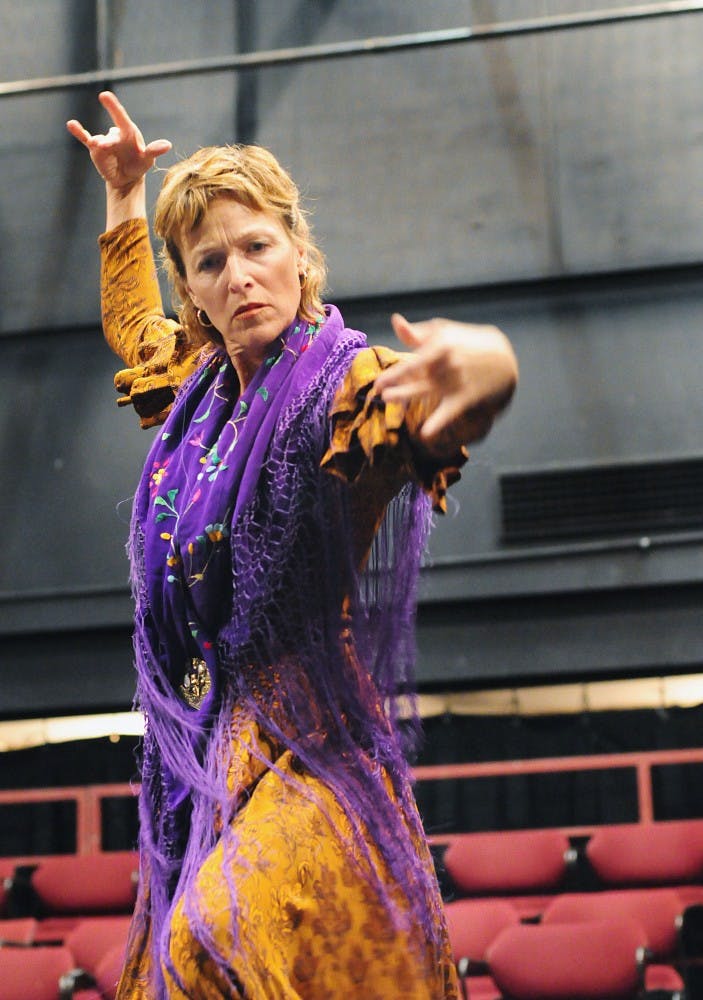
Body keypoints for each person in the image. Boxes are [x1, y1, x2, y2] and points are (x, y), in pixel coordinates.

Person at [67, 91, 518, 999]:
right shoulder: (197, 396)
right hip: (196, 745)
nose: (238, 275)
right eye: (208, 262)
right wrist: (123, 195)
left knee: (207, 945)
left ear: (300, 257)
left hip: (306, 743)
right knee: (164, 977)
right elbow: (134, 330)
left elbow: (425, 411)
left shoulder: (339, 380)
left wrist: (488, 367)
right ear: (192, 290)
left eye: (256, 247)